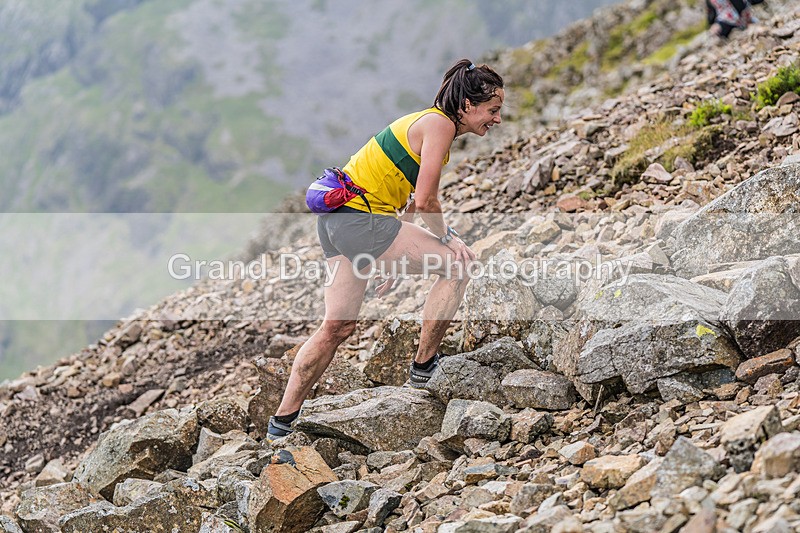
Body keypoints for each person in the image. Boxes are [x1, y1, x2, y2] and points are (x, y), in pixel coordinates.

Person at [267, 58, 504, 442]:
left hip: (336, 223)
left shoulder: (425, 123)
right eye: (492, 110)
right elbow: (427, 201)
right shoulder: (441, 125)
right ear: (467, 106)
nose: (496, 120)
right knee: (458, 266)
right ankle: (424, 366)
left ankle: (281, 423)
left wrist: (396, 253)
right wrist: (448, 238)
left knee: (337, 327)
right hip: (363, 222)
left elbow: (408, 202)